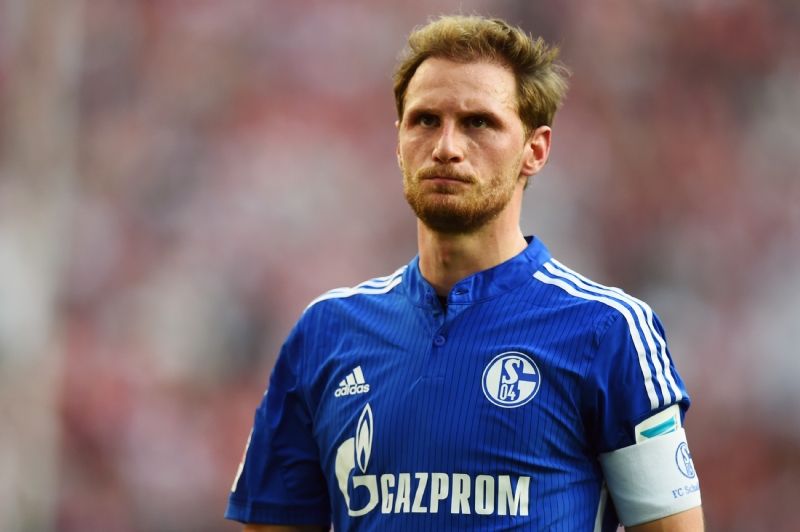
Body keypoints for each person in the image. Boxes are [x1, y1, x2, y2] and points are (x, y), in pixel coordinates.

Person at [226, 14, 703, 531]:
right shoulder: (325, 333)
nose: (446, 147)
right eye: (425, 120)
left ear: (535, 150)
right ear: (398, 140)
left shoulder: (608, 330)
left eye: (478, 123)